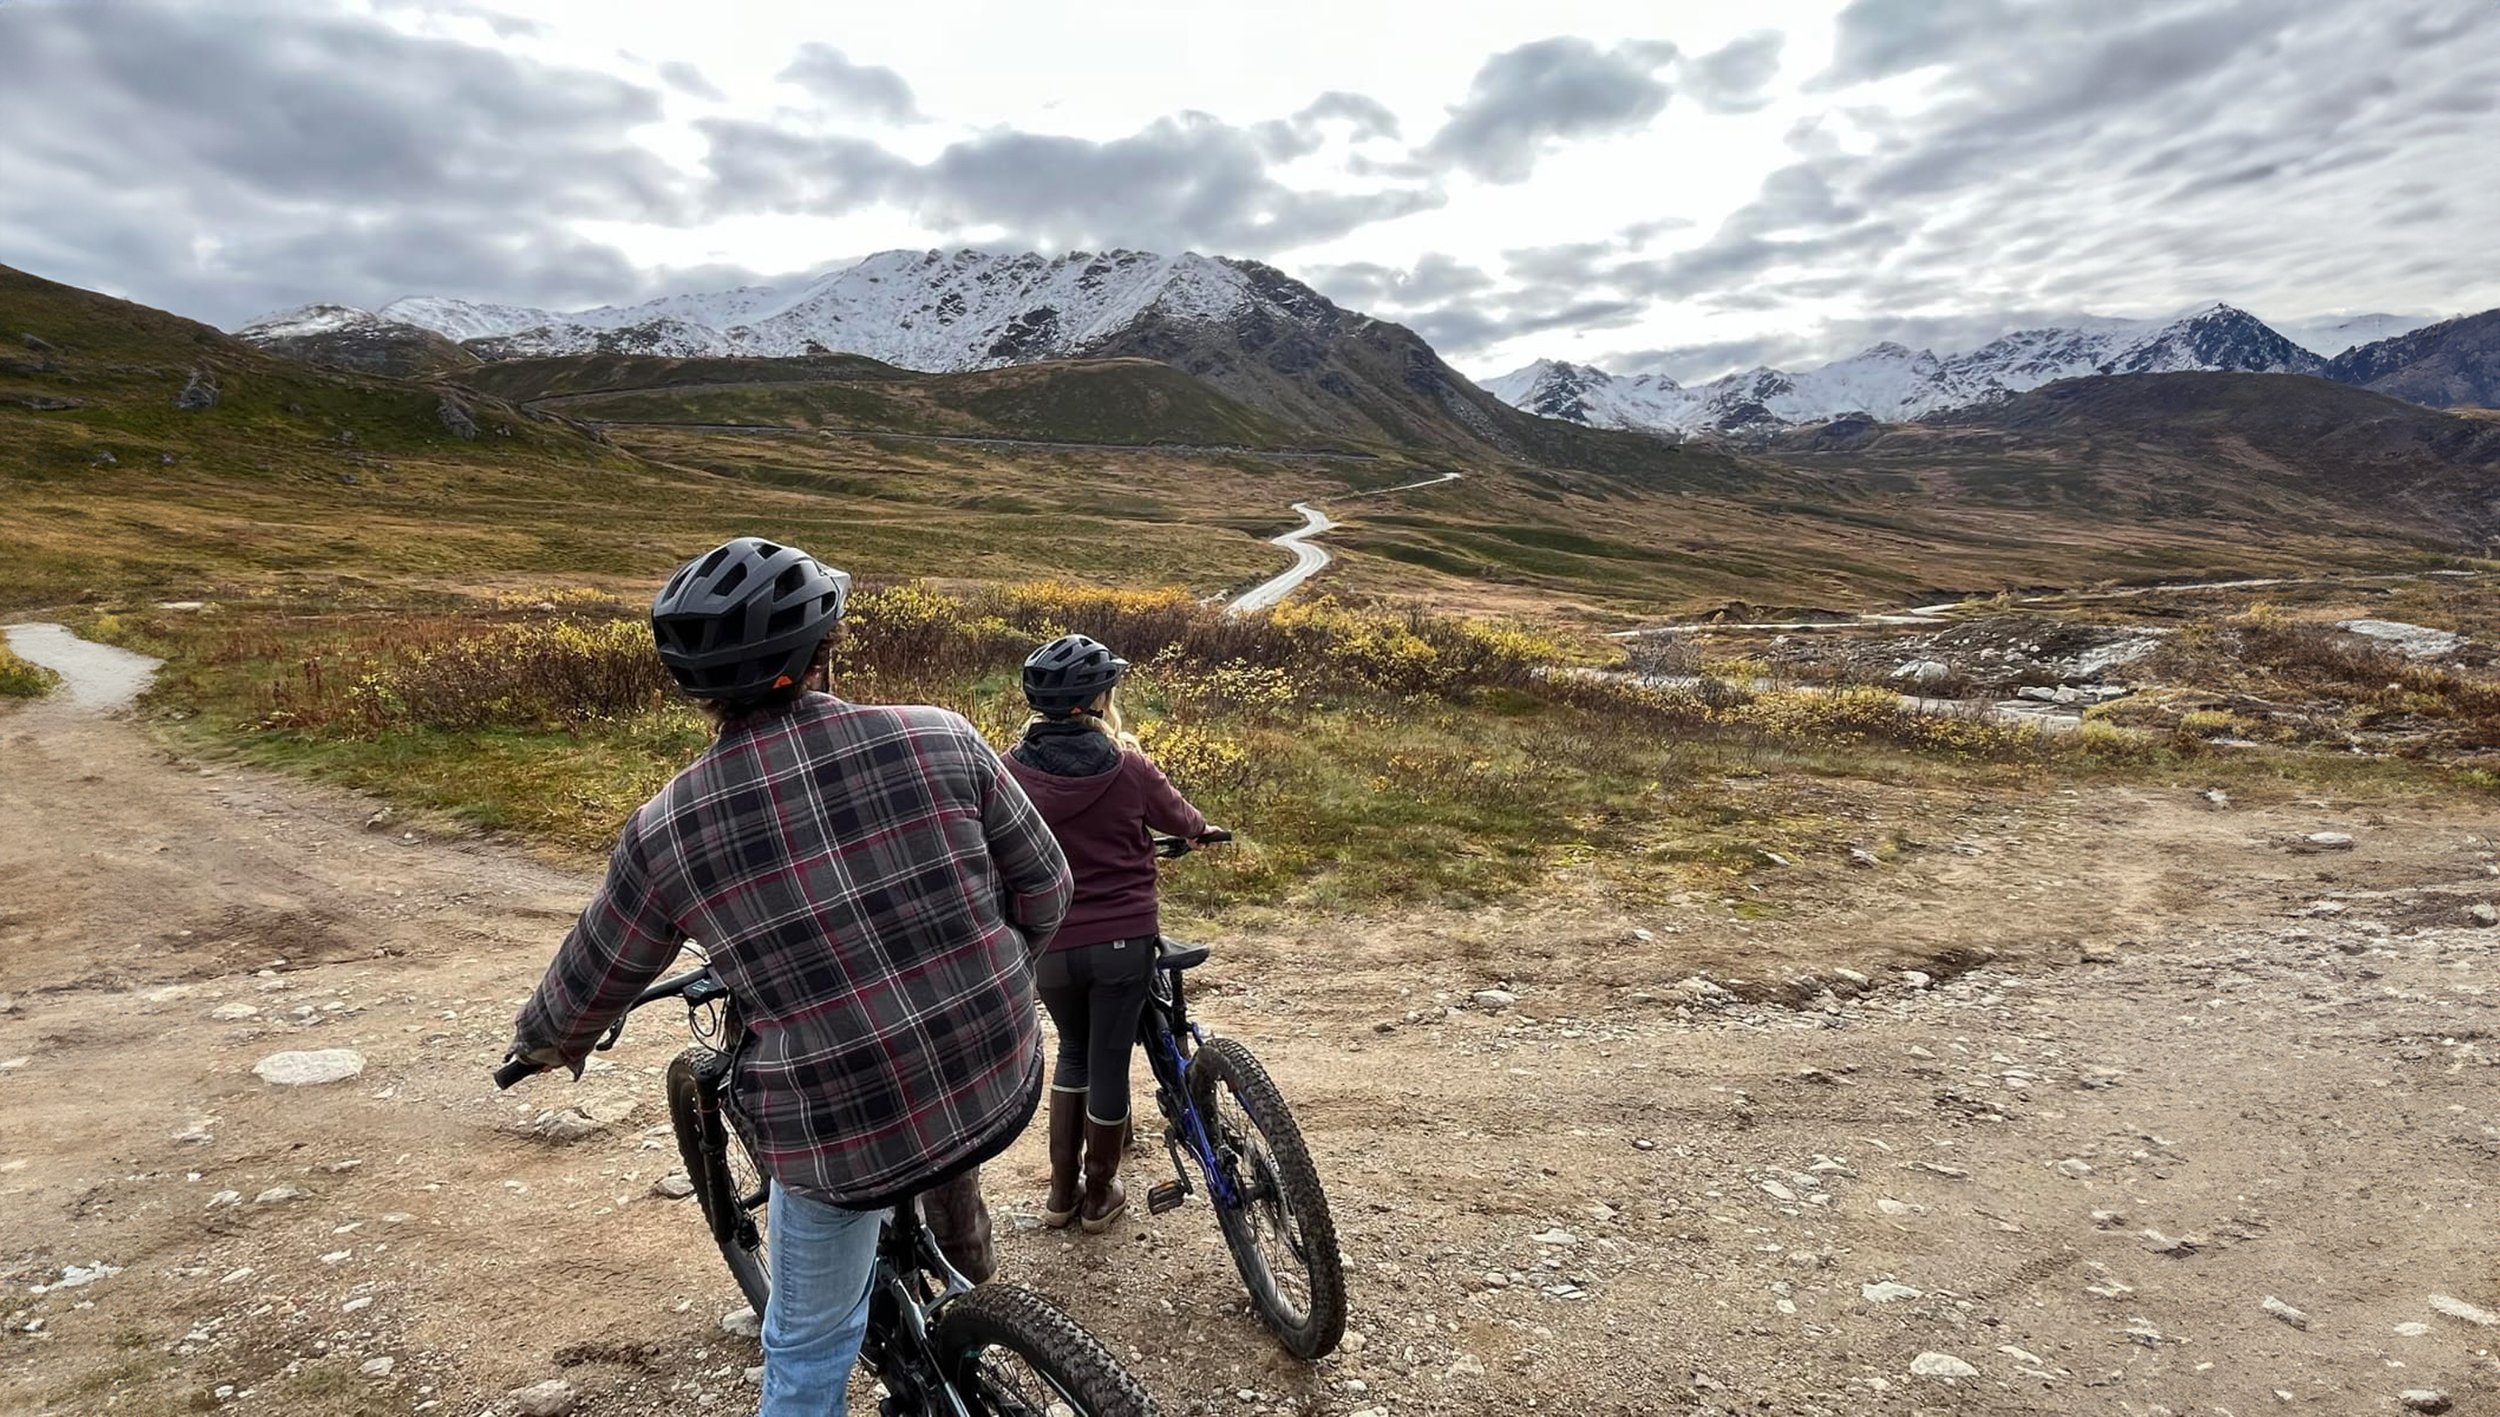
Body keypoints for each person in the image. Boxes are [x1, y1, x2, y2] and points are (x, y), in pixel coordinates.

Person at [503, 537, 1072, 1417]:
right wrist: (986, 974)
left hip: (843, 1135)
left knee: (805, 1353)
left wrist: (543, 1045)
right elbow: (1049, 886)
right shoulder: (942, 735)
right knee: (923, 1109)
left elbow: (591, 976)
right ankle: (968, 1278)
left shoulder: (666, 829)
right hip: (998, 1068)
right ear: (824, 654)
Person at [1003, 633, 1223, 1233]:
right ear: (1099, 700)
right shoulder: (1127, 765)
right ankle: (1100, 1195)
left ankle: (1059, 1194)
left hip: (1050, 944)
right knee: (1107, 1063)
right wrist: (1201, 832)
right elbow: (1181, 819)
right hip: (1123, 942)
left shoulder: (1006, 771)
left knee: (1072, 1051)